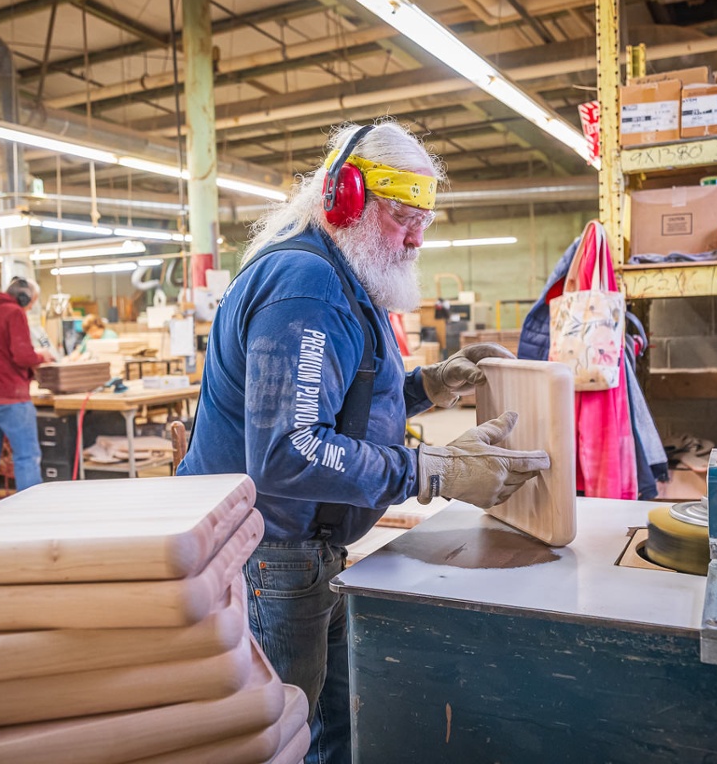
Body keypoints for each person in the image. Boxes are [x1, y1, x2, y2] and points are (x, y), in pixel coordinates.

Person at [177, 120, 550, 764]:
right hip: (269, 554)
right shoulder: (306, 287)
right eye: (401, 217)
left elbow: (342, 399)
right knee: (283, 738)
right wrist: (430, 470)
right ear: (345, 199)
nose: (415, 237)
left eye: (423, 221)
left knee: (331, 729)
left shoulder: (348, 276)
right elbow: (291, 452)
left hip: (304, 552)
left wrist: (429, 386)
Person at [0, 277, 55, 510]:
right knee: (26, 456)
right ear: (24, 297)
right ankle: (29, 511)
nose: (32, 306)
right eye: (32, 301)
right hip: (9, 395)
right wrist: (42, 355)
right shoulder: (14, 312)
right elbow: (22, 356)